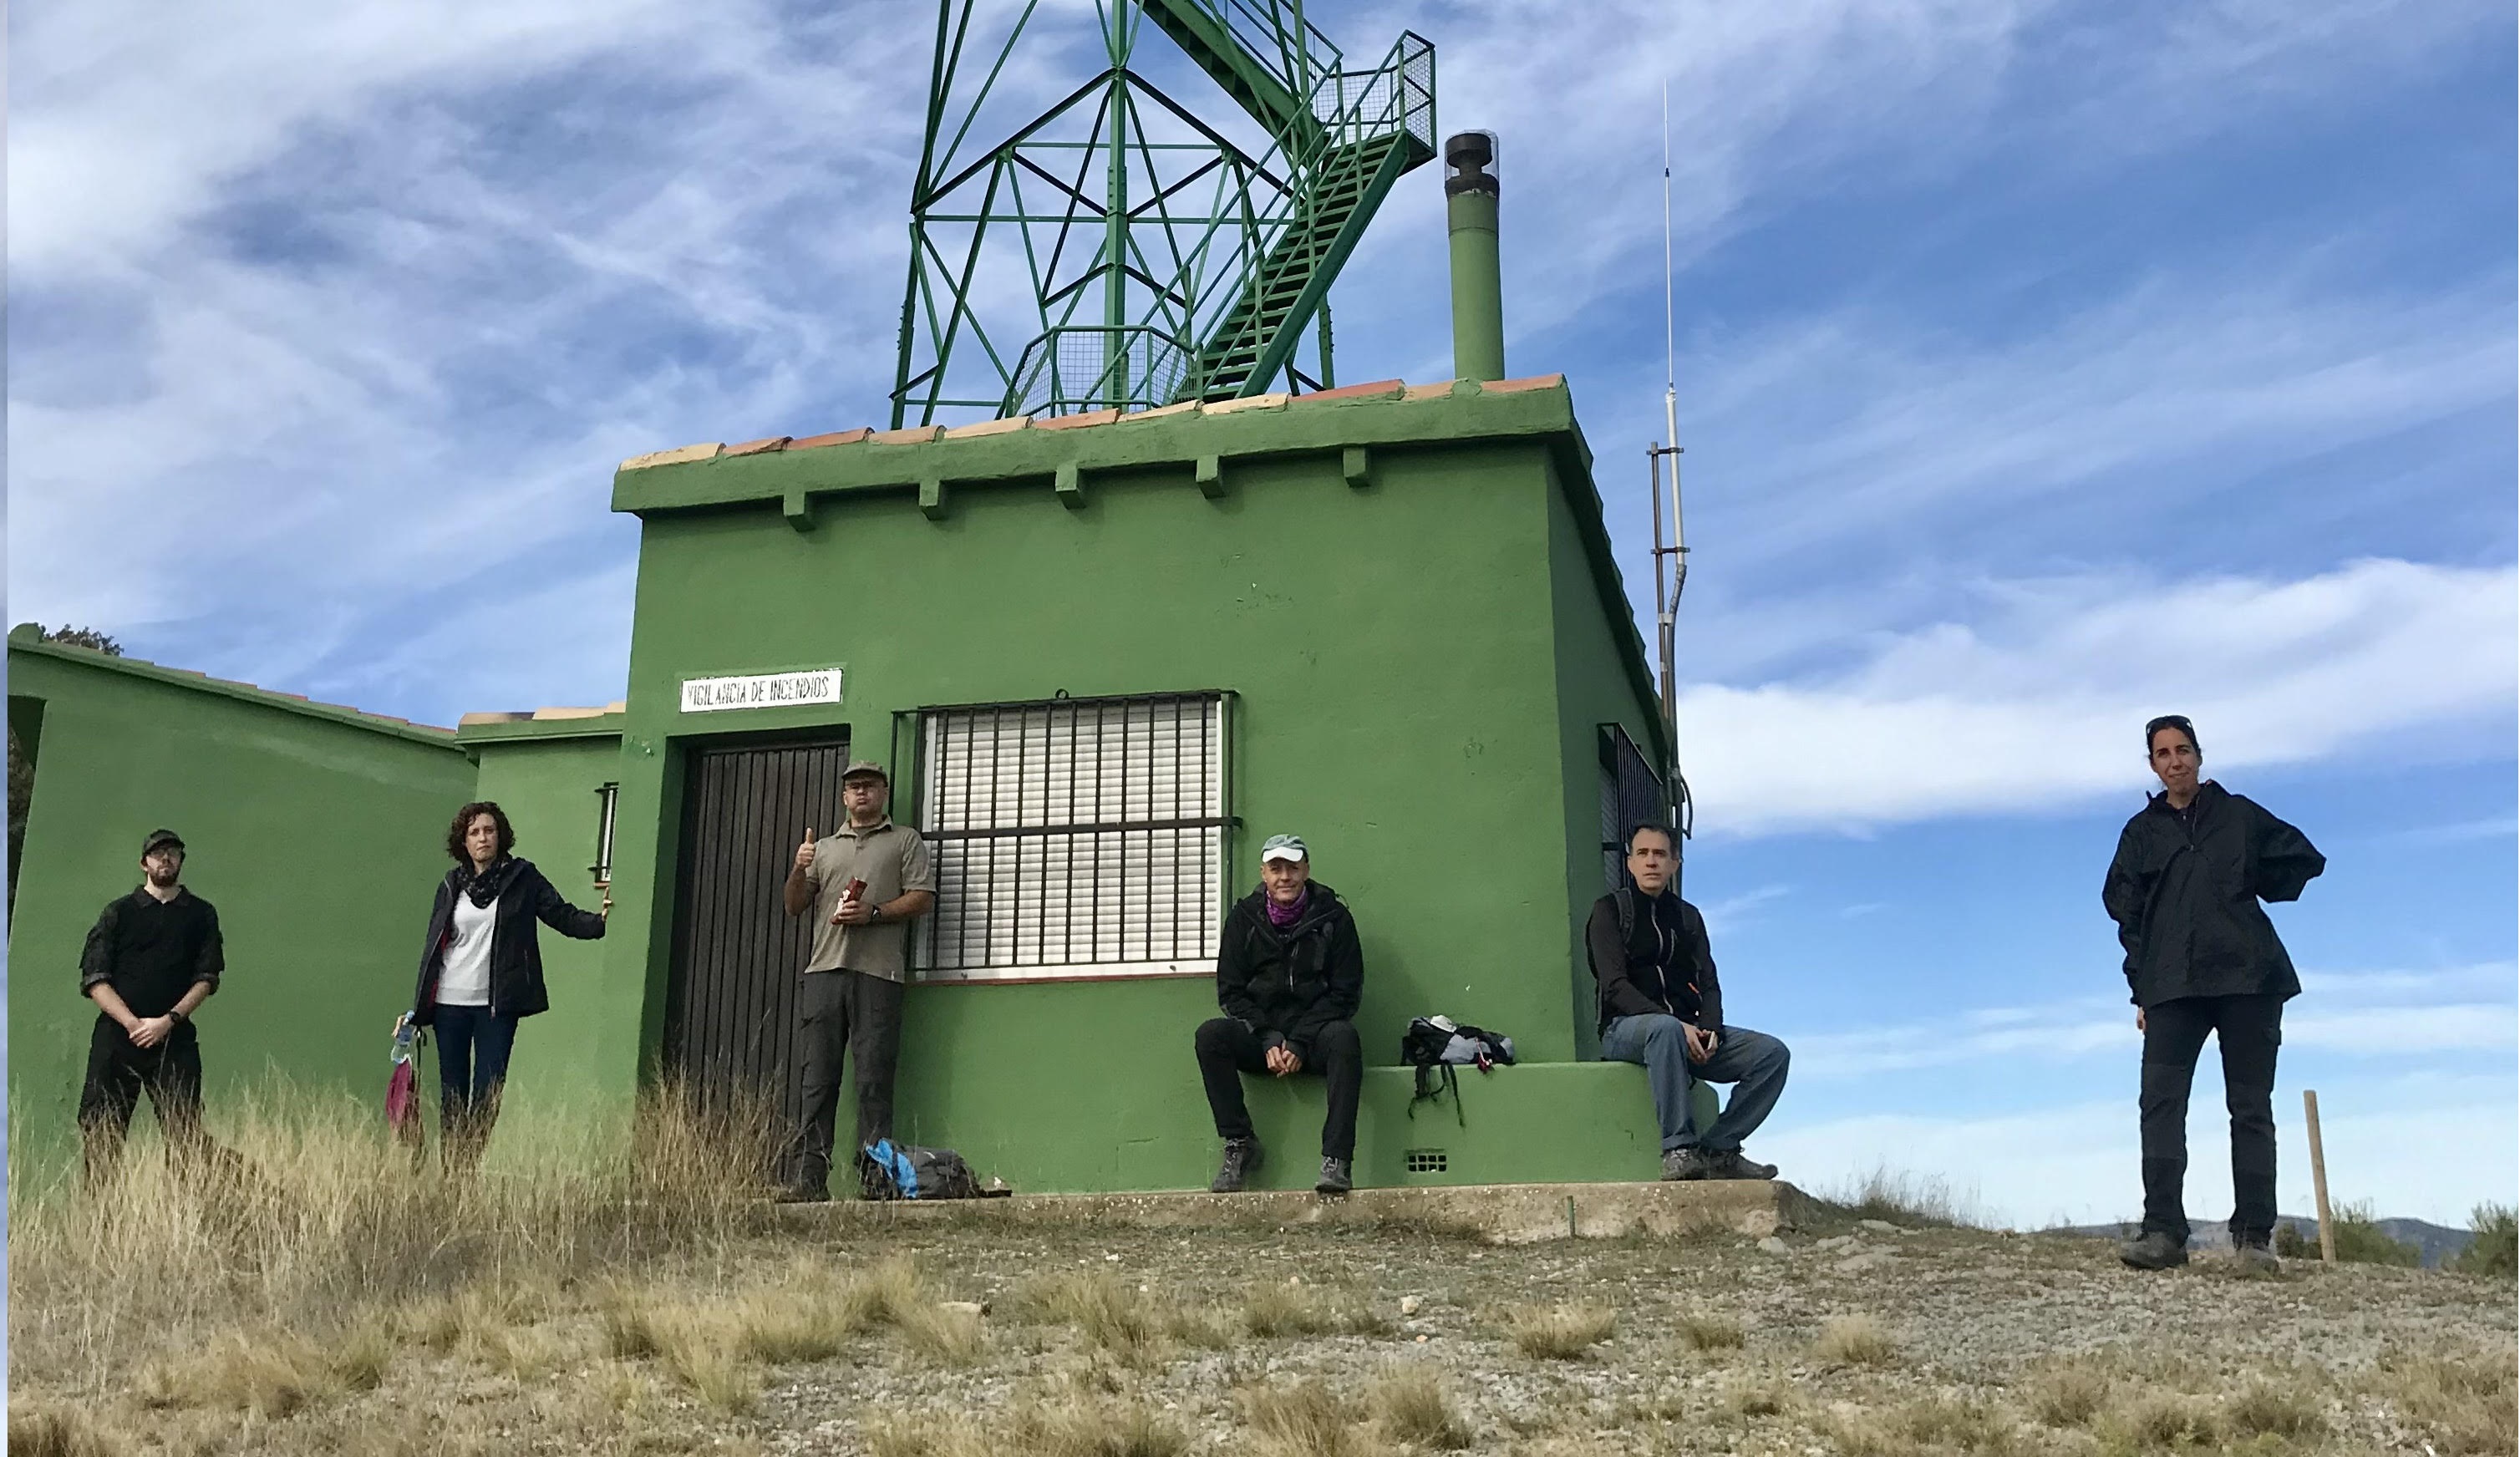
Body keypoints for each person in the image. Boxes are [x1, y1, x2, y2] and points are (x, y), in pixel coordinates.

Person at [2103, 714, 2324, 1273]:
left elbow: (2301, 858)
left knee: (2250, 1107)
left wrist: (2257, 881)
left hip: (2249, 979)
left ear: (2199, 756)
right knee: (2160, 1105)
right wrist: (2142, 990)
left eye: (2183, 750)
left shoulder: (2239, 815)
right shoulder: (2140, 834)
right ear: (2152, 765)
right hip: (2172, 986)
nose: (2175, 761)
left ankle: (2253, 1240)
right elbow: (2125, 914)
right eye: (2163, 753)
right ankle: (2163, 1236)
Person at [408, 800, 608, 1173]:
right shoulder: (452, 885)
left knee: (487, 1093)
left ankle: (467, 1166)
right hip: (450, 1005)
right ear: (463, 843)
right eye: (474, 833)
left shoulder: (522, 878)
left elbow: (560, 914)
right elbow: (433, 947)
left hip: (496, 1006)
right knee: (453, 1094)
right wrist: (416, 1010)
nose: (482, 838)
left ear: (500, 836)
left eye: (489, 830)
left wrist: (600, 922)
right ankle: (454, 1176)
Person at [1588, 823, 1791, 1181]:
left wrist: (1709, 1028)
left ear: (1674, 864)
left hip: (1687, 1032)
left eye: (1660, 854)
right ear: (1630, 862)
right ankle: (1678, 1149)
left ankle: (1719, 1150)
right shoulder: (1609, 911)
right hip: (1625, 1030)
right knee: (1664, 1028)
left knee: (1771, 1053)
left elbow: (1708, 984)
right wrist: (1676, 1025)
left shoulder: (1688, 917)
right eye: (1643, 854)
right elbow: (1614, 986)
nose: (1652, 862)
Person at [779, 759, 935, 1201]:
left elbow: (923, 898)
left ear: (884, 792)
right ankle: (809, 1181)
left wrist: (876, 912)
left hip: (879, 976)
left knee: (873, 1080)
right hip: (824, 973)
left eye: (869, 786)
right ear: (844, 797)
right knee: (818, 1081)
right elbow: (794, 906)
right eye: (853, 787)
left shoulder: (905, 841)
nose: (861, 793)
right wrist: (797, 866)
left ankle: (876, 1180)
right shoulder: (823, 848)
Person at [1195, 834, 1366, 1196]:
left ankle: (1337, 1160)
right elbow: (1231, 992)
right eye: (1276, 868)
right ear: (1264, 873)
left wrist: (1300, 1041)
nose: (1284, 876)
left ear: (1306, 870)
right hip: (1263, 1039)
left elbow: (1345, 993)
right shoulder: (1242, 919)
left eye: (1292, 867)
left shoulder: (1335, 918)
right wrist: (1268, 1037)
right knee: (1210, 1036)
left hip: (1314, 1038)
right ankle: (1240, 1144)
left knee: (1345, 1039)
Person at [77, 828, 225, 1188]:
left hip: (174, 1039)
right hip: (117, 1038)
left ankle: (181, 1217)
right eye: (158, 854)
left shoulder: (201, 915)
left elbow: (206, 977)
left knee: (184, 1130)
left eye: (172, 853)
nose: (166, 859)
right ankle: (100, 1222)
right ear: (144, 863)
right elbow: (95, 978)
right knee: (102, 1130)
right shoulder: (118, 913)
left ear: (180, 861)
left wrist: (168, 1021)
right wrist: (131, 1023)